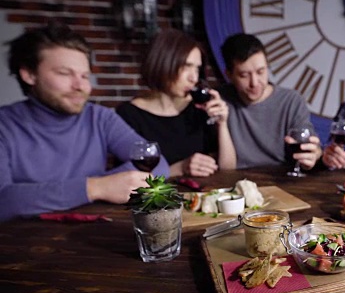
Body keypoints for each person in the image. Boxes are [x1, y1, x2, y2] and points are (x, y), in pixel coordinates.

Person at [0, 21, 170, 221]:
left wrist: (104, 185)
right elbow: (3, 201)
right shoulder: (4, 125)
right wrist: (95, 188)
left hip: (91, 237)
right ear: (29, 74)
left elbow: (159, 164)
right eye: (65, 73)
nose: (80, 86)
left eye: (85, 76)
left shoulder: (100, 117)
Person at [116, 29, 235, 177]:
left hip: (203, 196)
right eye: (186, 67)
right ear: (163, 63)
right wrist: (179, 169)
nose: (194, 78)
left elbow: (228, 170)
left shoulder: (199, 108)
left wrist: (222, 124)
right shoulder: (129, 115)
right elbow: (126, 179)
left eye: (197, 69)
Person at [218, 33, 322, 170]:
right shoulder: (220, 101)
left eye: (260, 72)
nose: (254, 83)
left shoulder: (290, 101)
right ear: (229, 75)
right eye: (244, 75)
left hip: (282, 181)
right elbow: (225, 169)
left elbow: (311, 146)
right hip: (237, 183)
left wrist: (315, 154)